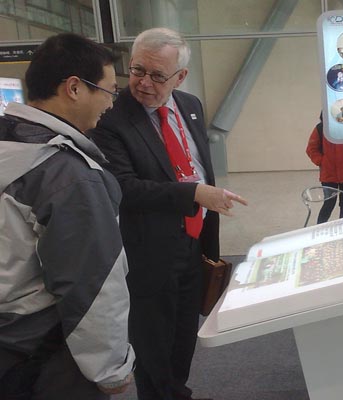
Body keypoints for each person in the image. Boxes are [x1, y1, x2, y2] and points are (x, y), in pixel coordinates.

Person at [90, 28, 247, 400]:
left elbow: (196, 163)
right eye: (137, 70)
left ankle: (177, 392)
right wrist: (194, 193)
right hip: (149, 252)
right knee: (153, 347)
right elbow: (124, 188)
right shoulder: (111, 117)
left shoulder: (190, 104)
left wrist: (202, 198)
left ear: (180, 76)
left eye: (157, 75)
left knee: (183, 337)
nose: (144, 83)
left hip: (194, 242)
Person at [0, 33, 135, 399]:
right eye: (108, 91)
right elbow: (92, 282)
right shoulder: (67, 175)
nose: (110, 103)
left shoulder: (9, 143)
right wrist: (111, 368)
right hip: (43, 353)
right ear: (74, 88)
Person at [306, 112, 343, 224]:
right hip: (328, 174)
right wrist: (321, 161)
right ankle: (320, 228)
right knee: (329, 203)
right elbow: (311, 148)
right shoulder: (320, 128)